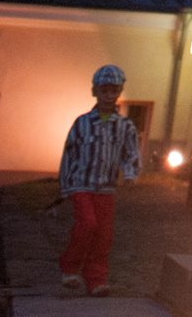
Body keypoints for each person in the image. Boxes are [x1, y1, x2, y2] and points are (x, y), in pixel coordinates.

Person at [56, 63, 143, 297]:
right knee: (87, 224)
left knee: (104, 235)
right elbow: (69, 153)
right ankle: (70, 268)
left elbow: (131, 152)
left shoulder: (125, 126)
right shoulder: (82, 123)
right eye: (104, 91)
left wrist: (131, 174)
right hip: (81, 183)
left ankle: (96, 280)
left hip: (106, 187)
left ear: (119, 92)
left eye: (113, 91)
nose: (108, 96)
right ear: (95, 91)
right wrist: (65, 186)